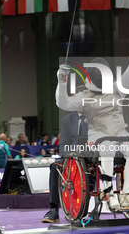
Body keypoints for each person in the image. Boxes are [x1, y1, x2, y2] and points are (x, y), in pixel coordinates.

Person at [55, 32, 129, 209]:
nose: (100, 76)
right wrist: (62, 81)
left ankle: (127, 193)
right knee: (107, 148)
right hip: (98, 133)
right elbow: (63, 103)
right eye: (96, 73)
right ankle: (107, 194)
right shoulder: (83, 96)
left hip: (119, 131)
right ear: (91, 75)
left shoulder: (117, 89)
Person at [42, 85, 89, 223]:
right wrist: (70, 156)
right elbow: (62, 145)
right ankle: (53, 210)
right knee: (55, 166)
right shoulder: (67, 120)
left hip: (89, 159)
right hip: (70, 158)